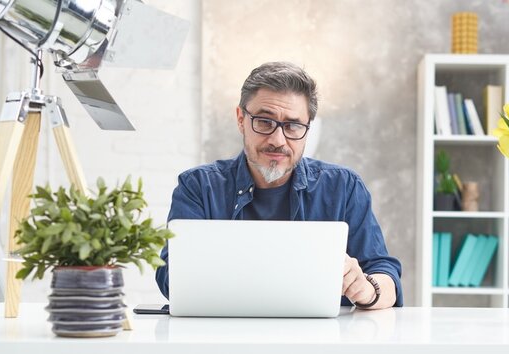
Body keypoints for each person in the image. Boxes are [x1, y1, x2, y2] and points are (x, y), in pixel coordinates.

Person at [156, 61, 402, 309]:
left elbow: (385, 273)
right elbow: (171, 278)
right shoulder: (197, 187)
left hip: (322, 341)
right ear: (241, 119)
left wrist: (368, 289)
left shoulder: (344, 187)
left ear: (307, 129)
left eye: (293, 126)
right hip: (223, 337)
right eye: (264, 122)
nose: (277, 140)